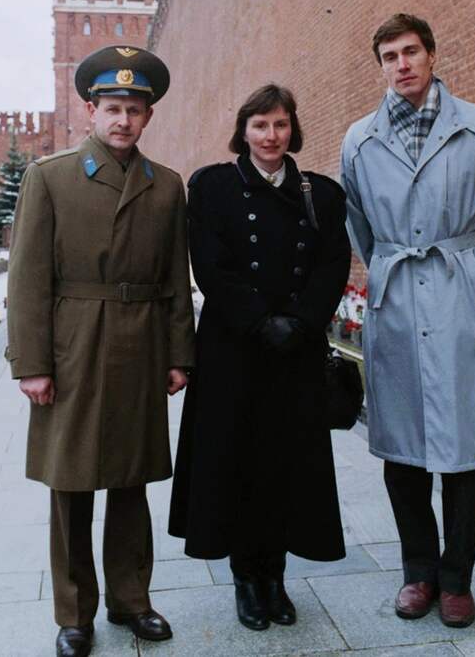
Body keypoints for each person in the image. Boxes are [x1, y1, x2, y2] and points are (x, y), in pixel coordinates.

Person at [7, 45, 195, 657]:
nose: (123, 120)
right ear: (91, 110)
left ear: (147, 117)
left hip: (139, 347)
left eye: (134, 110)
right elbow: (28, 278)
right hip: (73, 346)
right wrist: (31, 364)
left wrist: (178, 354)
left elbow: (174, 278)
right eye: (112, 108)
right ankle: (74, 613)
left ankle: (131, 600)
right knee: (71, 486)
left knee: (132, 480)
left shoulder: (165, 187)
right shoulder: (52, 177)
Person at [340, 13, 475, 628]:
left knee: (466, 445)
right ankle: (418, 573)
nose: (402, 65)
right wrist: (403, 269)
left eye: (411, 51)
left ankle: (457, 579)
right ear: (381, 66)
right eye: (389, 56)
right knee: (403, 444)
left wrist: (465, 275)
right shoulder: (359, 138)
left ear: (432, 55)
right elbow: (360, 226)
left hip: (463, 289)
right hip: (396, 297)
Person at [169, 84, 351, 630]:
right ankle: (246, 579)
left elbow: (331, 263)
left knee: (287, 465)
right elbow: (210, 263)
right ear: (243, 130)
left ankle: (276, 577)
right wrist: (258, 320)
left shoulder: (321, 192)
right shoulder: (213, 186)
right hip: (234, 349)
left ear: (293, 128)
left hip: (296, 349)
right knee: (236, 461)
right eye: (260, 125)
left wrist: (299, 321)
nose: (271, 135)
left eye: (280, 124)